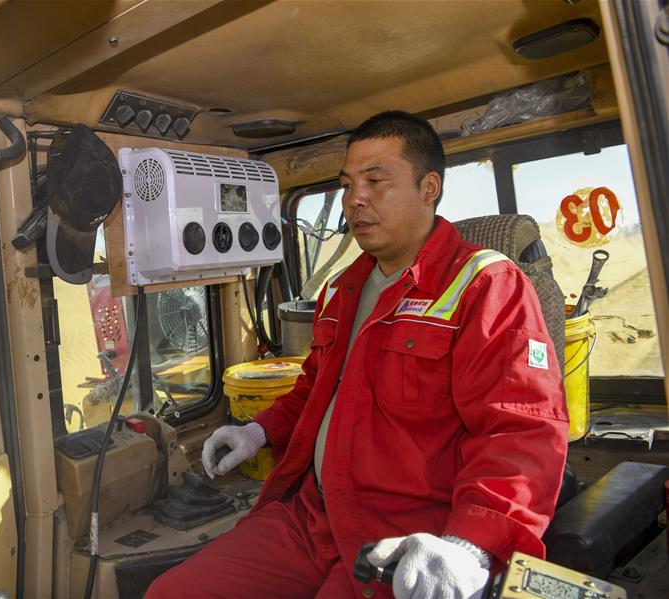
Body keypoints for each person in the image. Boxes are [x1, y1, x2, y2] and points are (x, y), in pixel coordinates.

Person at [145, 111, 568, 599]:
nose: (354, 200)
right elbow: (315, 389)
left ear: (429, 188)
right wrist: (259, 430)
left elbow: (520, 432)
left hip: (405, 538)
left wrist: (472, 546)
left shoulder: (485, 286)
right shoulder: (342, 288)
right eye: (347, 184)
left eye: (375, 180)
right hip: (313, 516)